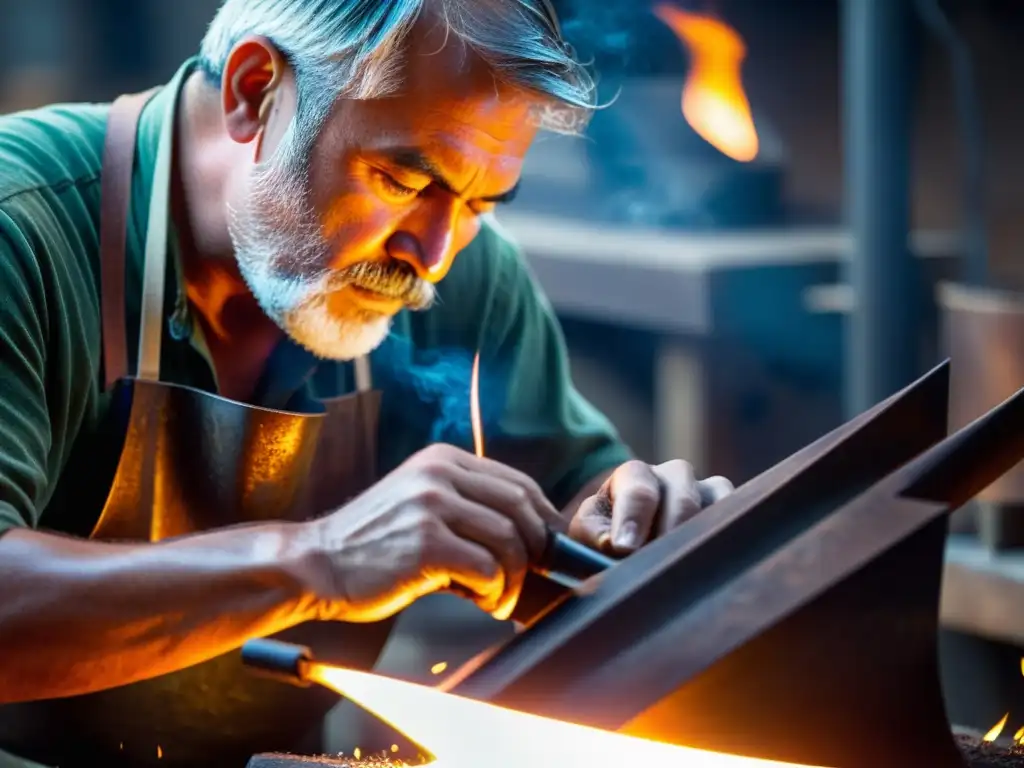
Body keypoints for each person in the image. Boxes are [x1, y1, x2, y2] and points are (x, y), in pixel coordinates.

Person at [0, 0, 733, 765]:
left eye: (479, 203)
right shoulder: (21, 232)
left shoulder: (467, 280)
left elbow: (573, 498)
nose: (435, 254)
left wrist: (628, 528)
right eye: (399, 179)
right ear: (255, 92)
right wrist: (318, 560)